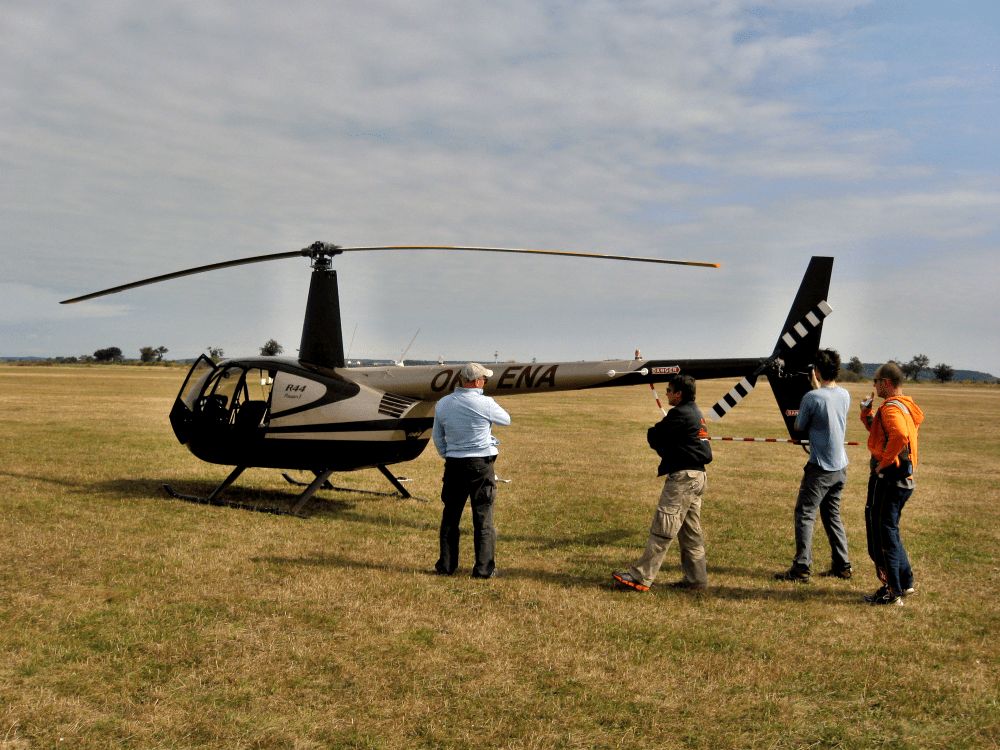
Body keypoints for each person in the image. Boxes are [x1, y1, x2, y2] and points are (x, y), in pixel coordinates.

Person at [613, 374, 712, 592]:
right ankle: (696, 580)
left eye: (669, 390)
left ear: (678, 394)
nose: (667, 393)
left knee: (663, 527)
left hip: (684, 479)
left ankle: (640, 577)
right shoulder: (695, 412)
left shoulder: (680, 414)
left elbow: (655, 435)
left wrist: (662, 444)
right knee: (690, 533)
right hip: (698, 477)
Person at [775, 349, 852, 583]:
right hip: (840, 467)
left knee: (805, 514)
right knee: (832, 515)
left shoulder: (812, 397)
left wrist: (812, 389)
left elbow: (799, 425)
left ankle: (801, 567)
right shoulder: (845, 394)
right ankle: (842, 565)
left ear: (816, 371)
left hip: (820, 467)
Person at [432, 362, 511, 579]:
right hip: (480, 464)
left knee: (450, 515)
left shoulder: (443, 403)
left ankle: (446, 565)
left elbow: (437, 436)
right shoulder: (485, 403)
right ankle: (484, 569)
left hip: (454, 463)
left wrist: (448, 454)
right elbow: (506, 419)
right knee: (483, 516)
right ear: (476, 381)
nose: (485, 383)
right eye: (484, 379)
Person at [860, 362, 924, 606]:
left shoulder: (891, 409)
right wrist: (866, 413)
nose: (874, 386)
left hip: (888, 480)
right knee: (890, 530)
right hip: (903, 480)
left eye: (875, 382)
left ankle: (891, 590)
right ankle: (905, 582)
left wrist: (884, 463)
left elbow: (898, 436)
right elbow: (882, 433)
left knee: (880, 533)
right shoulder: (903, 406)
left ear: (885, 383)